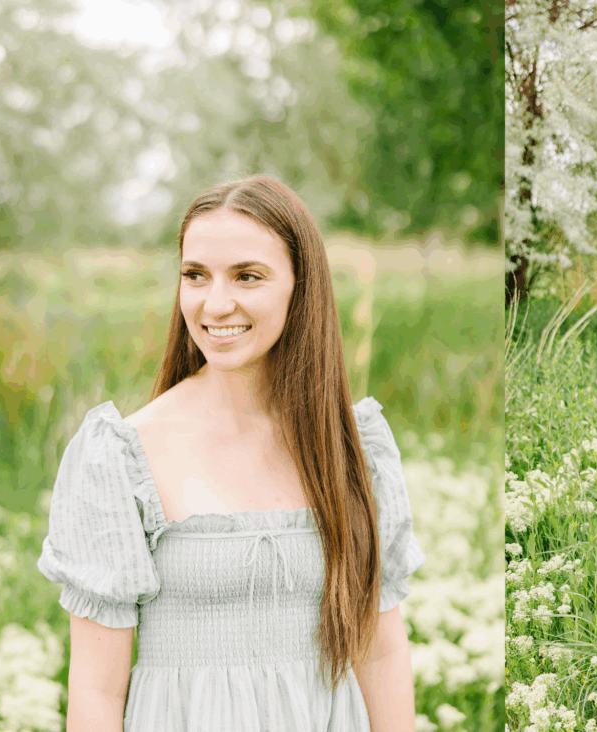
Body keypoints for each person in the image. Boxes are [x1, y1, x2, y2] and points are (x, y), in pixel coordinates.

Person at [36, 175, 426, 731]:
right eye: (195, 276)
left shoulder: (353, 447)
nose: (216, 304)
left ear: (301, 285)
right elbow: (97, 691)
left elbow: (381, 651)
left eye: (248, 275)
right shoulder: (120, 456)